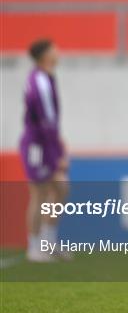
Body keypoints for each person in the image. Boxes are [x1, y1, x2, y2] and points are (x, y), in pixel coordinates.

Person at [20, 39, 70, 262]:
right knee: (39, 193)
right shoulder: (39, 80)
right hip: (38, 146)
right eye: (54, 49)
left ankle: (48, 242)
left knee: (60, 189)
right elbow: (45, 121)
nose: (58, 52)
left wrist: (59, 143)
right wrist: (57, 151)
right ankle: (34, 247)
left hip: (46, 142)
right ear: (45, 55)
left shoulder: (46, 78)